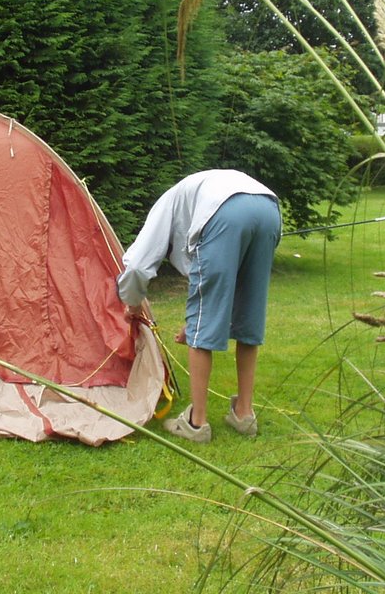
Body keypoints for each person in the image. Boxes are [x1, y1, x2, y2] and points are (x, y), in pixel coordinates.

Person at [117, 169, 282, 443]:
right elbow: (226, 288)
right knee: (249, 316)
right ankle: (244, 414)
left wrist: (133, 303)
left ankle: (197, 423)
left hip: (225, 211)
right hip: (269, 209)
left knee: (202, 334)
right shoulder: (191, 196)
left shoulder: (166, 206)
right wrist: (196, 321)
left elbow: (137, 265)